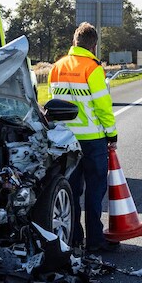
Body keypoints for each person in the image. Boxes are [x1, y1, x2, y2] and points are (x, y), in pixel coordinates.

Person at [48, 22, 118, 252]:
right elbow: (102, 105)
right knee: (94, 192)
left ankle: (75, 238)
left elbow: (51, 103)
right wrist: (112, 133)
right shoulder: (92, 68)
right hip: (92, 139)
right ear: (94, 46)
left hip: (64, 140)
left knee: (71, 189)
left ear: (74, 41)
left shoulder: (57, 67)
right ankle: (95, 241)